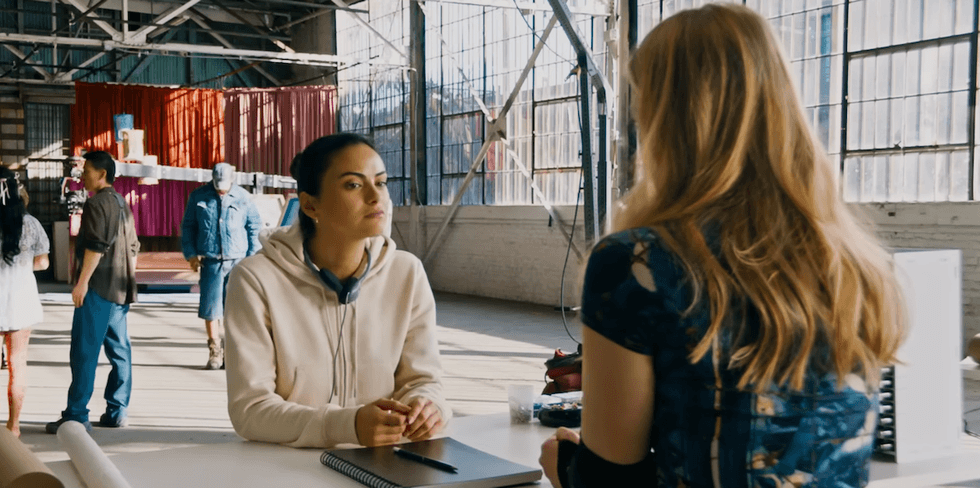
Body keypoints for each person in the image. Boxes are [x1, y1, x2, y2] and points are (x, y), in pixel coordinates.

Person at [539, 4, 906, 487]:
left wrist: (564, 464)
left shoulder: (637, 265)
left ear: (668, 119)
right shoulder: (857, 266)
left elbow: (612, 482)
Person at [224, 133, 450, 448]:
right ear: (310, 205)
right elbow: (250, 410)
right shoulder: (255, 280)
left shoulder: (406, 273)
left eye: (381, 183)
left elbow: (424, 381)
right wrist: (347, 426)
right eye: (353, 185)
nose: (376, 197)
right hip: (287, 470)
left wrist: (428, 407)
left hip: (386, 464)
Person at [47, 150, 139, 433]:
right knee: (119, 351)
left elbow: (96, 247)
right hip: (120, 290)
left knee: (84, 352)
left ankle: (77, 414)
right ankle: (117, 410)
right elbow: (134, 247)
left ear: (101, 174)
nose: (82, 176)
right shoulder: (122, 202)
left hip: (98, 289)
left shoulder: (97, 203)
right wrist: (129, 281)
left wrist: (82, 282)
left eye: (86, 171)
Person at [181, 163, 262, 370]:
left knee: (235, 309)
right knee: (211, 308)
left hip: (238, 261)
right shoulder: (199, 196)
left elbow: (254, 227)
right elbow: (188, 227)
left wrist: (252, 257)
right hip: (211, 260)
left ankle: (233, 350)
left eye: (224, 186)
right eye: (218, 185)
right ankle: (214, 349)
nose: (221, 190)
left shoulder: (243, 197)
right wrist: (190, 254)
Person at [0, 169, 49, 436]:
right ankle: (14, 426)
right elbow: (43, 262)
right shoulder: (30, 224)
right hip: (20, 301)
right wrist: (19, 264)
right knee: (17, 365)